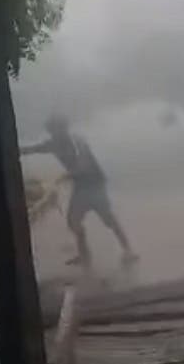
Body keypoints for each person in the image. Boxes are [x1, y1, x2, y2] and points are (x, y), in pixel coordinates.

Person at [21, 114, 137, 267]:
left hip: (95, 183)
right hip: (80, 187)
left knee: (109, 219)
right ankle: (85, 255)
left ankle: (128, 250)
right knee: (73, 221)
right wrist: (16, 151)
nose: (55, 134)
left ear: (65, 128)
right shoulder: (53, 144)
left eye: (58, 130)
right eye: (52, 132)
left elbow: (84, 164)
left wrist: (65, 176)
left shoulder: (78, 142)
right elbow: (33, 149)